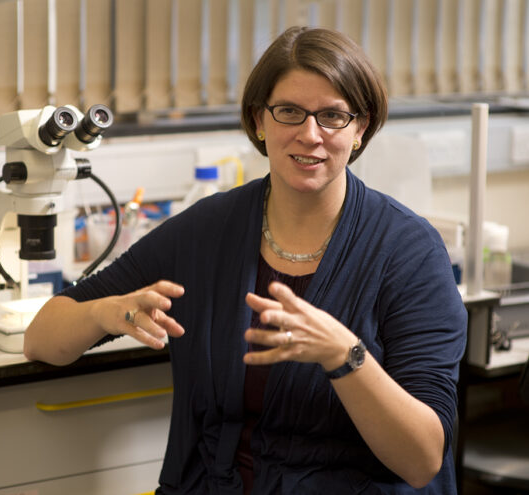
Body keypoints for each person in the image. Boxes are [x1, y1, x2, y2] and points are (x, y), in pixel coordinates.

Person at [24, 26, 467, 494]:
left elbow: (422, 461)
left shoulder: (408, 251)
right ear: (259, 120)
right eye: (289, 112)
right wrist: (102, 312)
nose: (310, 134)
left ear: (360, 128)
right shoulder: (206, 230)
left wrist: (345, 356)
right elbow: (41, 338)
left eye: (333, 116)